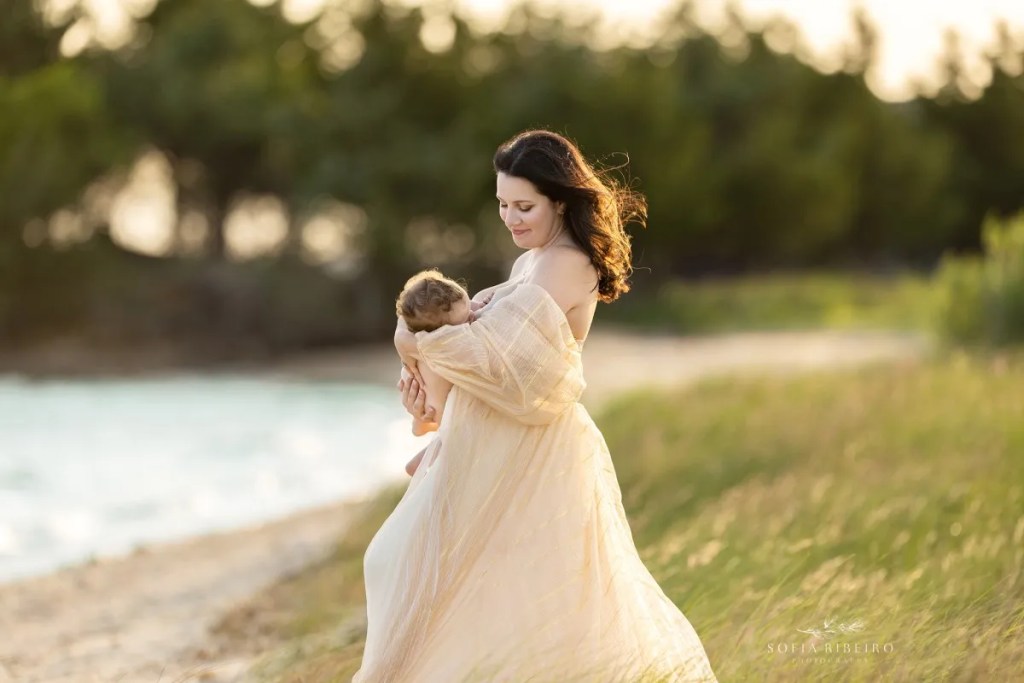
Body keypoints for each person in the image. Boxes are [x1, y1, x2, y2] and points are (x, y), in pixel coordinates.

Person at [353, 130, 717, 682]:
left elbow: (504, 365)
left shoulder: (566, 262)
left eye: (524, 206)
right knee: (434, 579)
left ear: (561, 201)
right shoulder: (533, 262)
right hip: (493, 444)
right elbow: (479, 356)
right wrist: (427, 392)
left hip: (532, 452)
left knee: (485, 590)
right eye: (502, 205)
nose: (510, 218)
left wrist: (413, 340)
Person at [393, 268, 478, 476]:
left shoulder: (421, 335)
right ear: (439, 334)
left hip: (430, 407)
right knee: (449, 439)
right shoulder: (442, 348)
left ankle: (420, 443)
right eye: (465, 320)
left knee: (441, 438)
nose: (473, 316)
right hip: (443, 414)